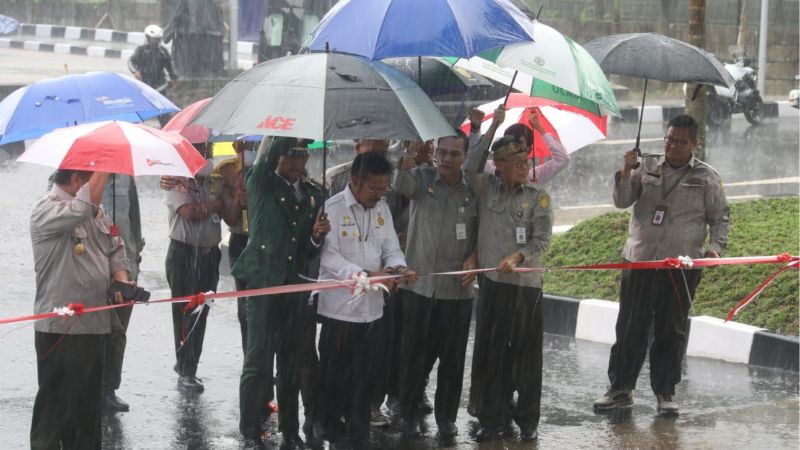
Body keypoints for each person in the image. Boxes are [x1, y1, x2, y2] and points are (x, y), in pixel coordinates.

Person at [593, 114, 730, 416]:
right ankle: (620, 389)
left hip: (679, 267)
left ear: (694, 143)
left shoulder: (706, 177)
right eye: (669, 139)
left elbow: (720, 218)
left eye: (680, 142)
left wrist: (715, 249)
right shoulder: (648, 166)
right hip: (639, 262)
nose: (672, 146)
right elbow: (622, 200)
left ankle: (665, 392)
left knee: (671, 329)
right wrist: (626, 169)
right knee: (631, 326)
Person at [233, 137, 329, 450]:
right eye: (288, 154)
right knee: (258, 360)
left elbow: (308, 250)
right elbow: (268, 157)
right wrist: (287, 123)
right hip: (263, 283)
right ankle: (249, 430)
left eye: (300, 155)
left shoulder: (315, 194)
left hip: (295, 287)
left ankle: (290, 431)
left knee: (290, 362)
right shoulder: (262, 181)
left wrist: (316, 238)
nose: (294, 161)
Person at [465, 105, 553, 442]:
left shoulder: (538, 196)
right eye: (517, 163)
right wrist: (491, 127)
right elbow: (471, 164)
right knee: (491, 350)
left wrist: (519, 255)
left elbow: (542, 240)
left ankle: (527, 418)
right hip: (493, 284)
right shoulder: (486, 186)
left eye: (526, 162)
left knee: (527, 355)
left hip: (526, 286)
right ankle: (493, 415)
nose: (525, 167)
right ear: (499, 165)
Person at [316, 151, 415, 449]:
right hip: (340, 310)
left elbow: (391, 248)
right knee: (335, 374)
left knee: (366, 375)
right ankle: (329, 429)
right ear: (355, 181)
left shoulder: (382, 209)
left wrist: (397, 268)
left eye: (384, 188)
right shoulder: (331, 209)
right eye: (374, 188)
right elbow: (328, 256)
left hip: (373, 310)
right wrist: (363, 274)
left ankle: (359, 433)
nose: (379, 194)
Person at [29, 170, 132, 449]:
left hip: (95, 325)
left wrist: (122, 281)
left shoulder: (96, 213)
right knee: (54, 416)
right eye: (101, 180)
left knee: (86, 417)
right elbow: (80, 208)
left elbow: (115, 247)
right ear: (77, 180)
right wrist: (103, 163)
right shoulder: (47, 208)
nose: (105, 187)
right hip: (62, 330)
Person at [392, 130, 478, 438]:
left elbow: (482, 231)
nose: (446, 159)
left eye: (454, 154)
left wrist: (474, 257)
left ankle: (446, 418)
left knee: (452, 359)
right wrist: (410, 154)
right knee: (413, 353)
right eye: (442, 152)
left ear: (464, 157)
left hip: (457, 291)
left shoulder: (473, 190)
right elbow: (399, 184)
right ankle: (406, 409)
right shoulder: (422, 178)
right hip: (419, 285)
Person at [164, 143, 223, 393]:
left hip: (210, 255)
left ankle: (189, 364)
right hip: (185, 253)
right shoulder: (175, 178)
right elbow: (189, 212)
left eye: (207, 151)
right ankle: (186, 369)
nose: (205, 156)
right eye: (200, 151)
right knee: (185, 313)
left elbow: (228, 209)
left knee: (201, 312)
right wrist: (216, 205)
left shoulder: (215, 180)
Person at [101, 175, 145, 413]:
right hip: (94, 272)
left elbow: (134, 223)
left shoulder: (126, 180)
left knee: (118, 334)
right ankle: (89, 387)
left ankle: (109, 389)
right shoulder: (75, 177)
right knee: (98, 334)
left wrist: (135, 263)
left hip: (126, 269)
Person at [468, 108, 570, 183]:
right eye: (508, 144)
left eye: (519, 147)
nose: (512, 151)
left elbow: (563, 159)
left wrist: (539, 128)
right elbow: (473, 159)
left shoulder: (531, 176)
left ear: (529, 151)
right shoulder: (492, 168)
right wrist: (491, 125)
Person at [128, 24, 178, 127]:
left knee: (162, 111)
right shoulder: (140, 50)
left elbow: (170, 66)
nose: (155, 42)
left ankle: (168, 130)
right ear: (147, 38)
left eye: (158, 40)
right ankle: (132, 127)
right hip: (143, 85)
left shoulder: (163, 51)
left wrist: (174, 78)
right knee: (138, 110)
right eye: (153, 40)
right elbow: (130, 62)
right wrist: (135, 71)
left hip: (160, 85)